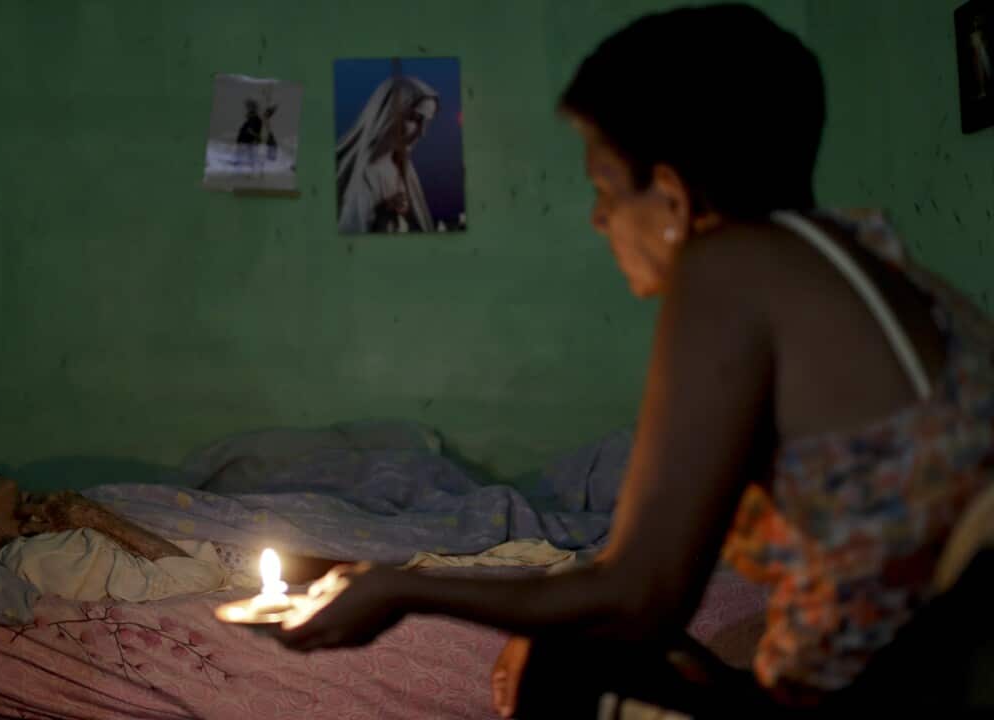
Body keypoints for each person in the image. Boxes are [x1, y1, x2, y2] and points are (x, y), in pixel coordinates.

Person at [278, 5, 994, 718]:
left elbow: (638, 595)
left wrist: (400, 588)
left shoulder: (724, 266)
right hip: (926, 665)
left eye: (604, 189)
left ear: (675, 198)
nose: (597, 219)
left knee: (563, 661)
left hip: (892, 694)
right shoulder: (875, 264)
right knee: (574, 642)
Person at [0, 459, 342, 586]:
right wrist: (96, 517)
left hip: (241, 540)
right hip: (237, 563)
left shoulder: (47, 522)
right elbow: (195, 574)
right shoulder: (35, 557)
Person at [336, 74, 439, 233]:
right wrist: (383, 213)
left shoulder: (402, 167)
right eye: (415, 118)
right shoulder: (360, 174)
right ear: (388, 113)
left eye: (427, 122)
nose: (422, 132)